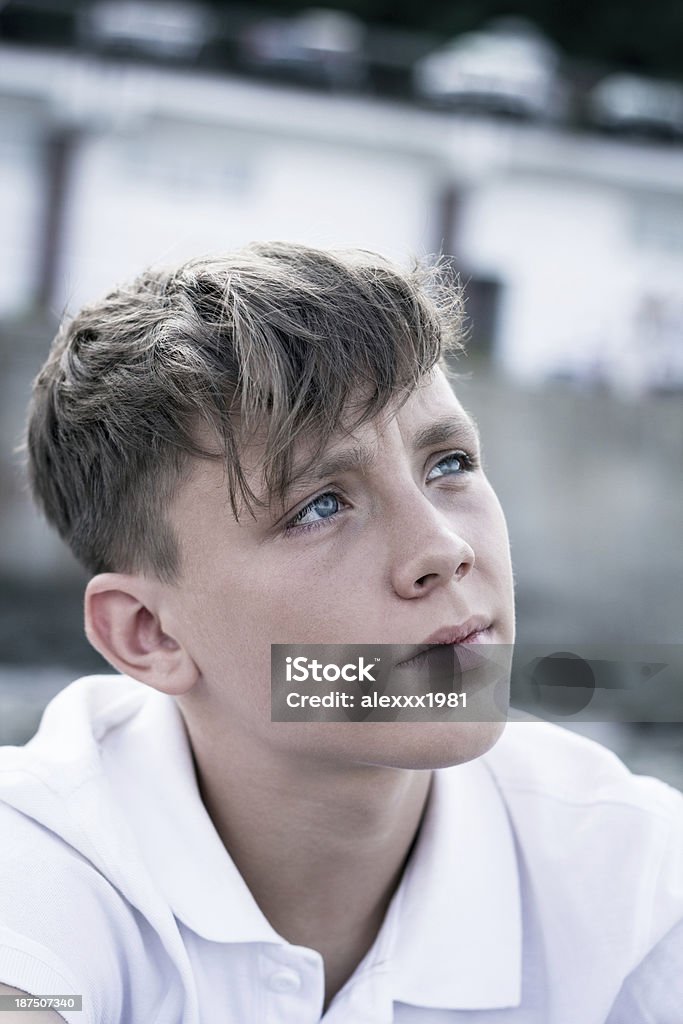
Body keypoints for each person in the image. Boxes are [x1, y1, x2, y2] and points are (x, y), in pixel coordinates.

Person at [0, 242, 681, 1024]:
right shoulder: (38, 862)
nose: (443, 550)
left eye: (449, 463)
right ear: (149, 634)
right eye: (319, 507)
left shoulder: (629, 874)